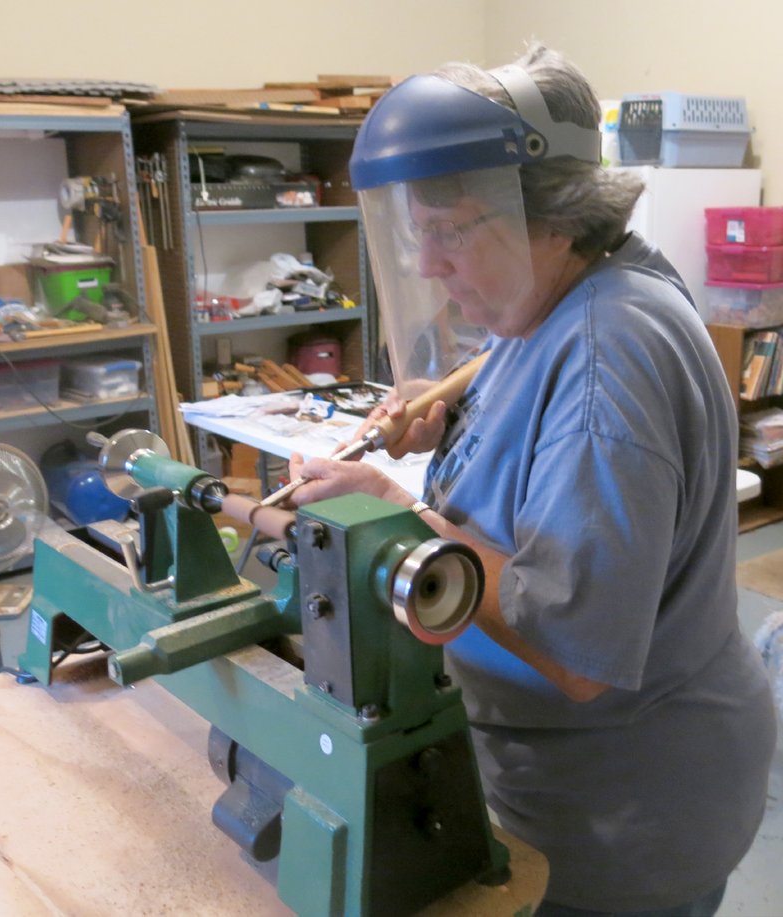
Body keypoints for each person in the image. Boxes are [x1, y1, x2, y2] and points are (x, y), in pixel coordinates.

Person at [286, 43, 778, 916]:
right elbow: (513, 382)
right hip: (582, 771)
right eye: (417, 233)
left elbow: (576, 643)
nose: (429, 264)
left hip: (618, 817)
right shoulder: (568, 292)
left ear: (548, 213)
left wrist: (400, 515)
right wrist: (446, 419)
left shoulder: (606, 357)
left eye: (450, 229)